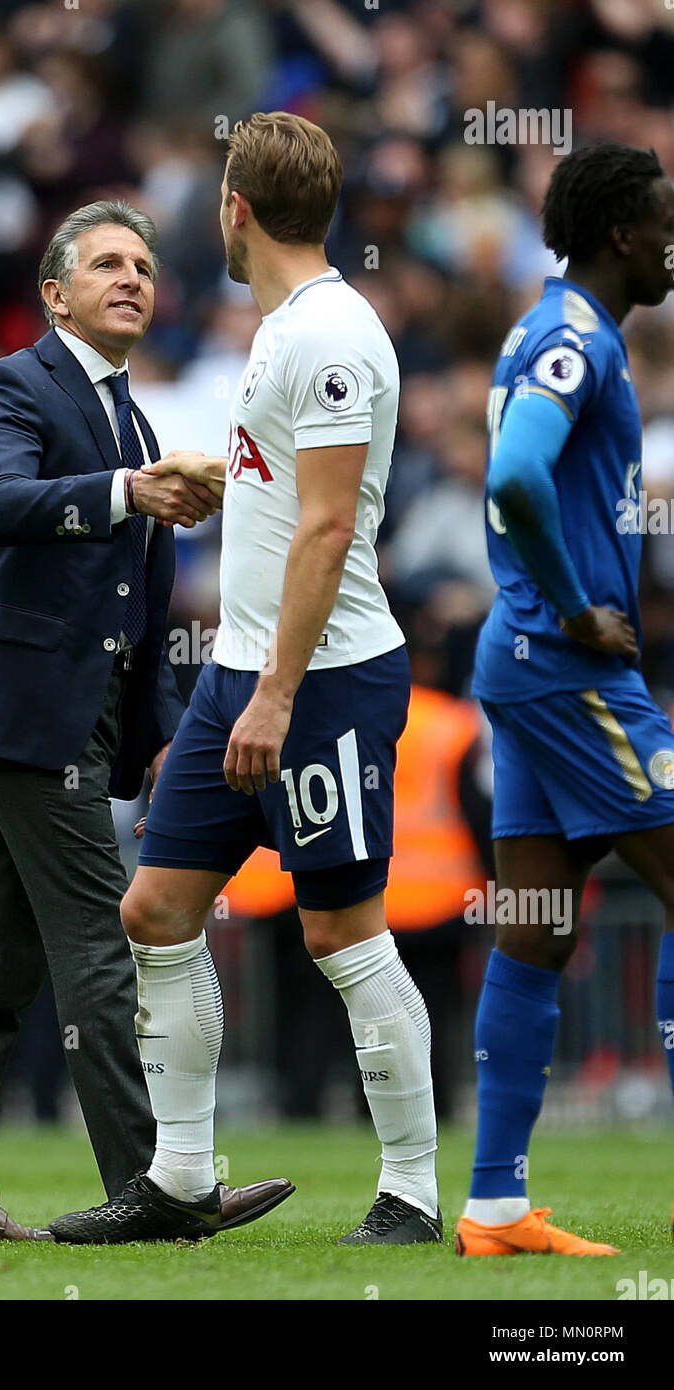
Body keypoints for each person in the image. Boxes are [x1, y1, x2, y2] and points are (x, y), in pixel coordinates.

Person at [50, 113, 441, 1247]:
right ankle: (177, 1179)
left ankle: (413, 1190)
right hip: (244, 671)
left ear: (234, 207)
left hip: (320, 679)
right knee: (158, 909)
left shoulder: (326, 332)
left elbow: (327, 532)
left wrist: (273, 692)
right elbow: (296, 498)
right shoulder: (283, 329)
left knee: (342, 933)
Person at [0, 200, 279, 1241]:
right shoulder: (14, 384)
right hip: (27, 713)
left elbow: (143, 604)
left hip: (88, 720)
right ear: (55, 293)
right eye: (108, 262)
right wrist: (124, 489)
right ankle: (162, 1183)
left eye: (146, 265)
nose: (134, 277)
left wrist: (156, 732)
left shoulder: (140, 420)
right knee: (103, 945)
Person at [455, 142, 674, 1258]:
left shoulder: (554, 328)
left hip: (523, 660)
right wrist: (576, 601)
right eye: (666, 217)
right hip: (565, 658)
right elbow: (512, 477)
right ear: (623, 233)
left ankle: (494, 1207)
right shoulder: (576, 338)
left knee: (535, 930)